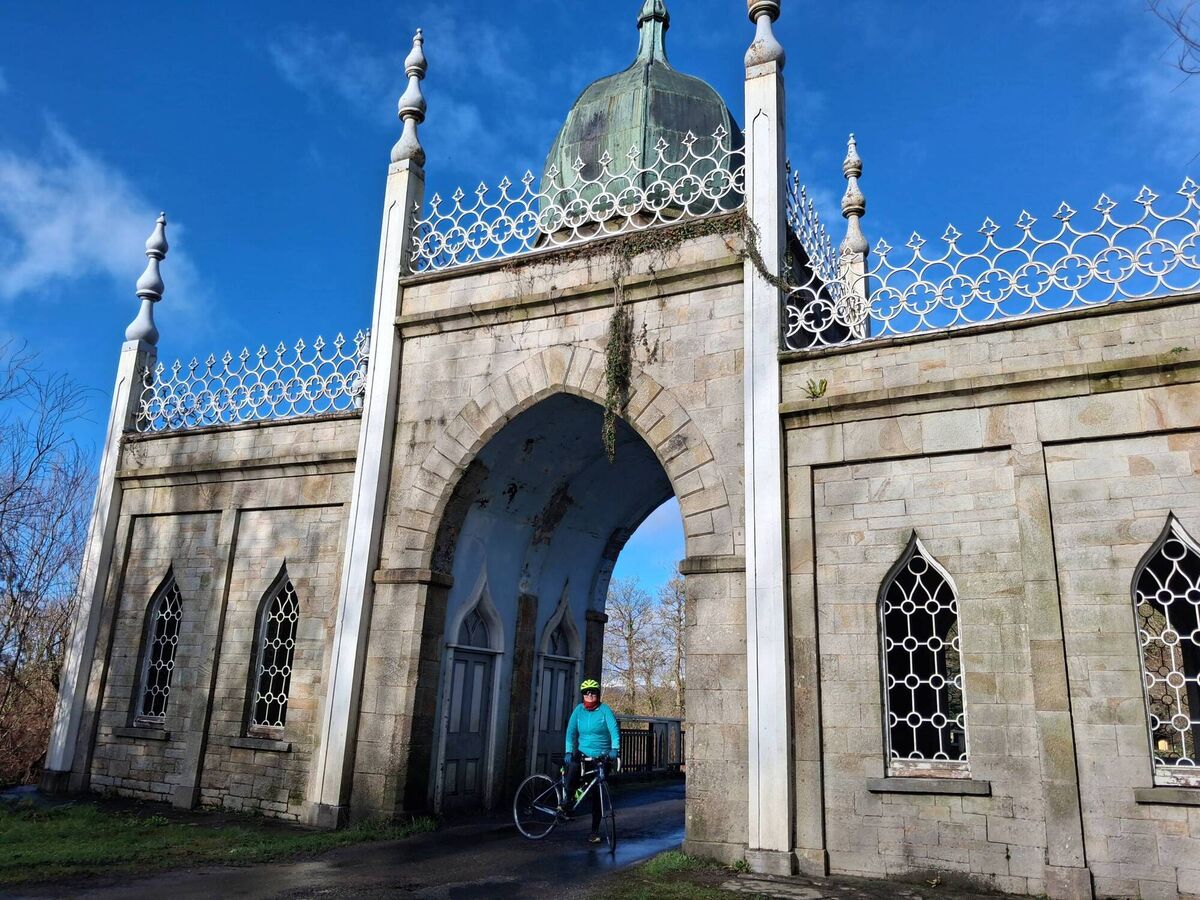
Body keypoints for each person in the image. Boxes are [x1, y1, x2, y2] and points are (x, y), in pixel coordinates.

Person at [562, 678, 620, 844]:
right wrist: (568, 750)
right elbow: (570, 732)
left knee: (597, 794)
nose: (590, 695)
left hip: (601, 756)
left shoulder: (604, 710)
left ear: (598, 694)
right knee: (573, 768)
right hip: (583, 753)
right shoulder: (578, 711)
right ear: (583, 695)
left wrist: (615, 749)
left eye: (593, 692)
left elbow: (614, 730)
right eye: (586, 693)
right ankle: (567, 800)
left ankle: (594, 832)